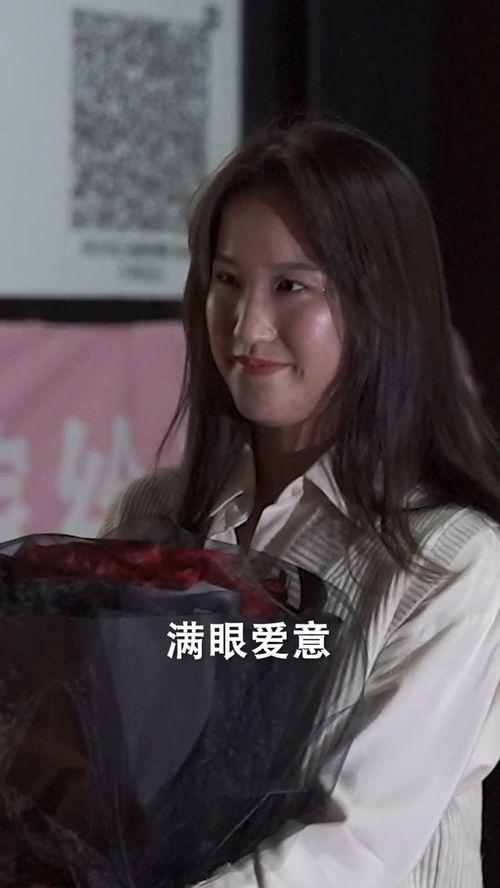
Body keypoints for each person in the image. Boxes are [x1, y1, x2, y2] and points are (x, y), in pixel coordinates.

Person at [100, 119, 500, 888]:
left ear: (380, 303)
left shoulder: (452, 560)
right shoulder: (149, 516)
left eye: (291, 286)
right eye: (226, 281)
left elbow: (351, 852)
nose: (247, 328)